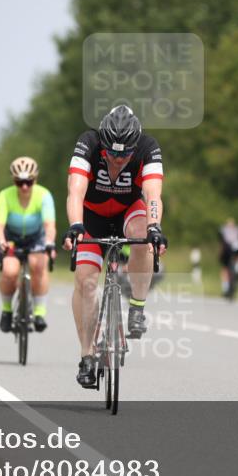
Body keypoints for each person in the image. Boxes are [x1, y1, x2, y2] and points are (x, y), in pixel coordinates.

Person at [62, 104, 166, 389]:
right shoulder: (89, 143)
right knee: (85, 283)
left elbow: (153, 193)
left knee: (143, 236)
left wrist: (155, 227)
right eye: (112, 153)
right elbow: (76, 190)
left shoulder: (148, 147)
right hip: (92, 216)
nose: (118, 159)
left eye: (125, 154)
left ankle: (137, 307)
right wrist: (75, 225)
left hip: (127, 211)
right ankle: (86, 355)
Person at [0, 156, 57, 333]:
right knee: (10, 271)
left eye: (28, 181)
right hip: (10, 237)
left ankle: (39, 313)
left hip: (36, 237)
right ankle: (6, 310)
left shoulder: (43, 195)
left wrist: (50, 243)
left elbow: (49, 225)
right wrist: (1, 242)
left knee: (38, 265)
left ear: (34, 179)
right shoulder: (5, 195)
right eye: (19, 182)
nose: (24, 187)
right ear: (14, 180)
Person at [218, 217, 238, 299]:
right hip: (233, 251)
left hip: (228, 251)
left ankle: (225, 288)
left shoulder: (224, 229)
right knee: (228, 267)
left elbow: (221, 241)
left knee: (225, 268)